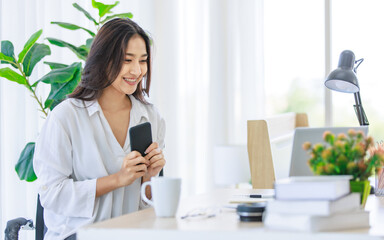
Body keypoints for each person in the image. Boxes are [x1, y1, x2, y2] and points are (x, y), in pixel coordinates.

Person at [33, 18, 166, 240]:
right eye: (127, 60)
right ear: (103, 60)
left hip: (132, 234)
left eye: (143, 61)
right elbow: (52, 195)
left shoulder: (151, 117)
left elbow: (148, 204)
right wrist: (117, 179)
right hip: (78, 235)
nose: (137, 70)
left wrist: (150, 177)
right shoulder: (66, 117)